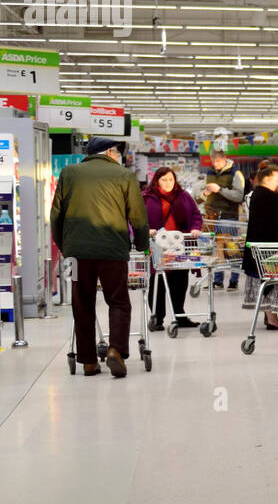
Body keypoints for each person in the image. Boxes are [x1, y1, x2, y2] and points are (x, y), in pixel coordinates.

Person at [50, 137, 148, 378]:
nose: (117, 155)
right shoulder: (124, 175)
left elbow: (55, 214)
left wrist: (65, 246)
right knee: (118, 300)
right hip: (112, 248)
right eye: (115, 151)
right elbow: (138, 215)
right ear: (108, 152)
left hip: (78, 250)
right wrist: (142, 245)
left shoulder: (69, 173)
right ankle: (115, 350)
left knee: (82, 302)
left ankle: (88, 362)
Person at [142, 166, 202, 330]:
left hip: (181, 245)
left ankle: (180, 316)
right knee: (158, 282)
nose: (168, 183)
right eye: (164, 180)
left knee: (180, 281)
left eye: (170, 179)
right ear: (156, 181)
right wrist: (146, 230)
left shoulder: (184, 196)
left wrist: (196, 228)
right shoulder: (147, 197)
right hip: (158, 247)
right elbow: (137, 219)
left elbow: (196, 215)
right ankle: (157, 318)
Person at [242, 164, 278, 330]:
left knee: (267, 283)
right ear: (267, 179)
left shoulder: (258, 195)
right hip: (274, 249)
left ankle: (272, 319)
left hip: (260, 249)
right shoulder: (268, 197)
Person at [203, 148, 246, 291]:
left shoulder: (236, 173)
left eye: (218, 161)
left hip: (229, 217)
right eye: (213, 161)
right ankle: (218, 280)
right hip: (211, 217)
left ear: (225, 158)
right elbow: (204, 195)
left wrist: (220, 189)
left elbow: (239, 196)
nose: (215, 164)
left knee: (231, 250)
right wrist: (205, 193)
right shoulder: (209, 172)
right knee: (216, 250)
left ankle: (234, 280)